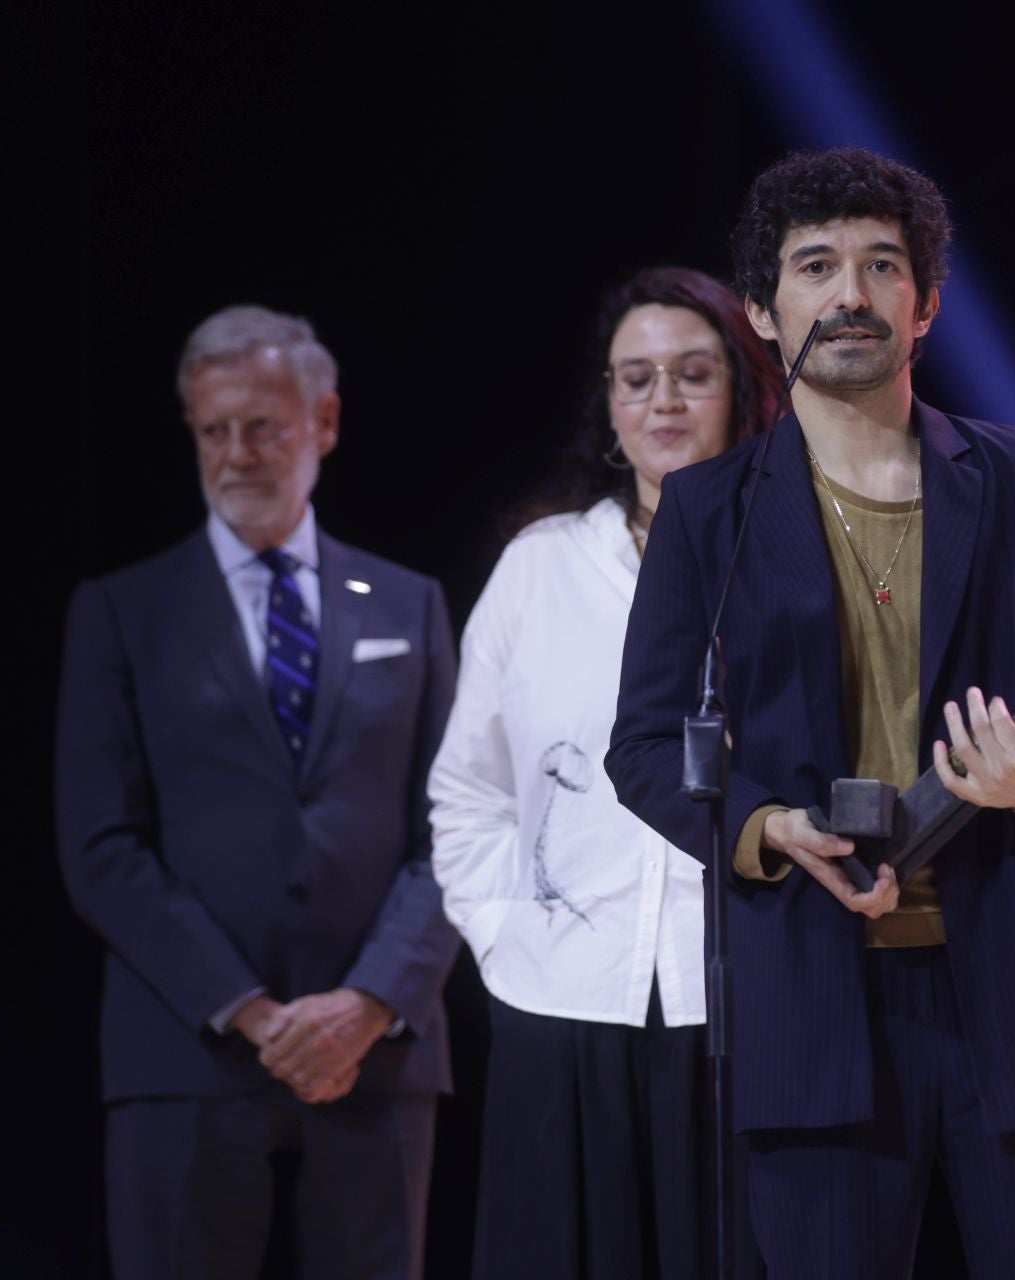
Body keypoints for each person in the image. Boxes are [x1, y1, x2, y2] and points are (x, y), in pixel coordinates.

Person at [605, 148, 1015, 1278]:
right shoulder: (711, 510)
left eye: (881, 263)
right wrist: (761, 828)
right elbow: (644, 746)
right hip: (810, 1002)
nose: (850, 292)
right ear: (761, 307)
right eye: (815, 265)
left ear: (925, 302)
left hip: (1014, 1004)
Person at [55, 305, 461, 1280]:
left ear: (322, 422)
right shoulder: (121, 611)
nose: (235, 453)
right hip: (187, 1054)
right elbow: (100, 844)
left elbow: (456, 826)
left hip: (378, 1054)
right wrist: (247, 1008)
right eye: (213, 430)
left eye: (263, 426)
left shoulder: (409, 602)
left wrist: (365, 1003)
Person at [427, 266, 782, 1279]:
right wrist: (503, 936)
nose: (662, 400)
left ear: (743, 389)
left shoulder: (796, 559)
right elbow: (469, 787)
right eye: (636, 379)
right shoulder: (541, 566)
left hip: (745, 1013)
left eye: (691, 373)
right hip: (562, 1009)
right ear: (609, 407)